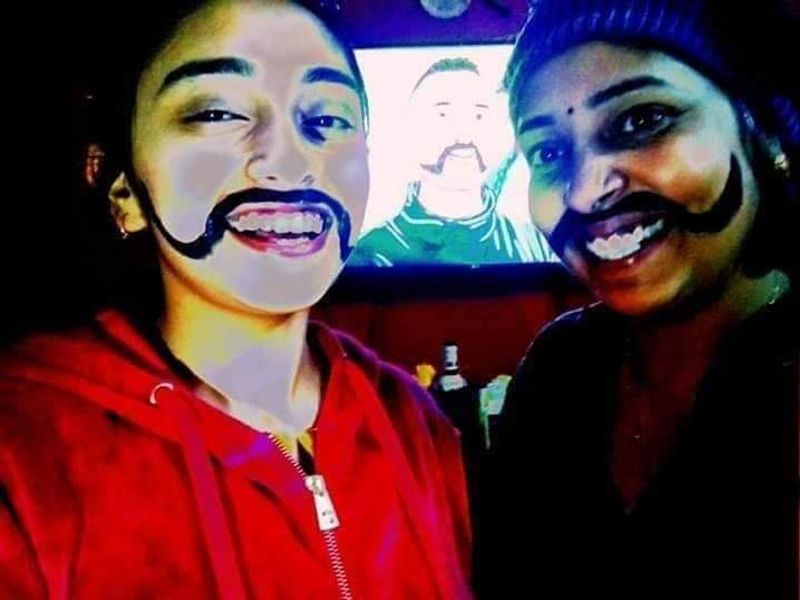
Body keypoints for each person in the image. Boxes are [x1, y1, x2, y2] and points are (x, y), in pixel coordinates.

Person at [0, 2, 472, 597]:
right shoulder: (23, 450)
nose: (291, 162)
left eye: (328, 119)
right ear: (124, 191)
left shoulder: (415, 423)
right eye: (218, 113)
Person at [483, 0, 799, 598]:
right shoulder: (561, 366)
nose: (584, 192)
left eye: (642, 119)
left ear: (764, 131)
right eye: (548, 152)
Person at [351, 57, 553, 266]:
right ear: (407, 132)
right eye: (443, 115)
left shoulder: (535, 246)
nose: (464, 135)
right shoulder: (369, 254)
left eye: (478, 116)